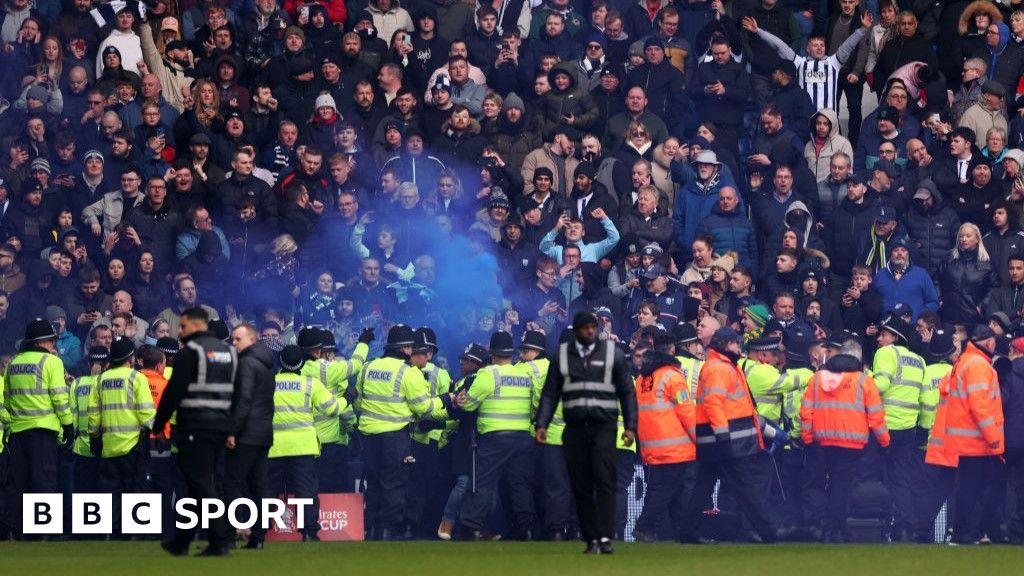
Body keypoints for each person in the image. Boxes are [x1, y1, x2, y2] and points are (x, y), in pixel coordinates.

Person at [535, 312, 637, 554]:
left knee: (560, 486)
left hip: (561, 437)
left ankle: (560, 530)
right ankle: (581, 529)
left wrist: (541, 423)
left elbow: (546, 397)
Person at [683, 327, 778, 544]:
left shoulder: (721, 366)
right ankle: (769, 532)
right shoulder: (720, 368)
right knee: (747, 488)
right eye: (736, 343)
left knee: (702, 487)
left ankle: (687, 530)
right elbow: (714, 403)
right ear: (726, 344)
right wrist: (722, 435)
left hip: (716, 440)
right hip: (728, 442)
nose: (739, 348)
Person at [355, 324, 451, 540]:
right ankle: (387, 531)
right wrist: (447, 399)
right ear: (406, 348)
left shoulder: (368, 367)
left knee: (374, 483)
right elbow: (423, 407)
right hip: (395, 437)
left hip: (368, 436)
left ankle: (371, 529)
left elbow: (360, 401)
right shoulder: (409, 373)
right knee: (394, 484)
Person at [154, 307, 236, 556]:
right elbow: (238, 393)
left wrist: (159, 425)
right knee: (195, 484)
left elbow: (174, 391)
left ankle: (220, 538)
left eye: (184, 326)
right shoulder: (229, 352)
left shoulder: (191, 352)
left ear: (197, 325)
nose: (181, 331)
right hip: (221, 425)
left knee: (201, 482)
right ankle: (182, 540)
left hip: (196, 425)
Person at [801, 338, 890, 543]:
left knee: (820, 484)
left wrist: (807, 438)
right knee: (841, 485)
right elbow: (876, 416)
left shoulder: (817, 378)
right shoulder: (863, 380)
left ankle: (822, 526)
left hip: (821, 441)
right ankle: (834, 529)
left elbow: (806, 411)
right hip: (852, 443)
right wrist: (885, 441)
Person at [455, 331, 537, 540]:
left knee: (482, 482)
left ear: (492, 353)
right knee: (520, 485)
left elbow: (469, 404)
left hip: (494, 437)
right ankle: (526, 529)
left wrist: (461, 400)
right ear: (512, 353)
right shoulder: (524, 374)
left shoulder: (488, 374)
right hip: (522, 438)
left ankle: (471, 527)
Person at [3, 318, 72, 537]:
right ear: (41, 342)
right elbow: (60, 399)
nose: (54, 344)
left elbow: (7, 398)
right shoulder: (51, 362)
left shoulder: (14, 363)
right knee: (44, 480)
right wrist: (68, 426)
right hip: (43, 431)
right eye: (51, 340)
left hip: (18, 432)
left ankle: (16, 529)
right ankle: (43, 530)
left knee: (19, 481)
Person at [268, 344, 342, 542]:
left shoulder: (269, 383)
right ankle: (309, 532)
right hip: (303, 447)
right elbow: (332, 409)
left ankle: (260, 531)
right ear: (301, 363)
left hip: (273, 447)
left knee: (267, 489)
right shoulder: (311, 384)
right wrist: (347, 398)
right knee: (305, 491)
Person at [943, 326, 1005, 545]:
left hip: (967, 438)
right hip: (977, 440)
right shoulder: (979, 365)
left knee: (970, 487)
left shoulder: (967, 361)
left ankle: (967, 532)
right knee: (976, 488)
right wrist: (993, 437)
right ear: (988, 342)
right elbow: (980, 406)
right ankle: (967, 532)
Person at [632, 333, 697, 543]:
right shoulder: (672, 376)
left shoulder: (642, 379)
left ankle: (680, 533)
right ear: (672, 350)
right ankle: (644, 526)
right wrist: (699, 439)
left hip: (651, 446)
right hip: (674, 447)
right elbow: (686, 411)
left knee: (663, 490)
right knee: (667, 490)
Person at [87, 337, 154, 536]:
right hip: (133, 445)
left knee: (110, 493)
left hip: (109, 446)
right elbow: (146, 413)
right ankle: (136, 532)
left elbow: (93, 414)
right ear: (131, 358)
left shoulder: (100, 380)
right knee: (136, 490)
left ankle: (109, 532)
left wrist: (94, 436)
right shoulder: (136, 378)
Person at [872, 314, 926, 541]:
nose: (879, 339)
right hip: (908, 428)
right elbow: (922, 397)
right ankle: (905, 525)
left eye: (883, 335)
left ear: (894, 337)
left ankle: (875, 525)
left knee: (874, 476)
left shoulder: (885, 353)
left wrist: (860, 381)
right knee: (901, 478)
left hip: (885, 426)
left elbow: (880, 385)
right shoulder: (919, 360)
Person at [222, 324, 276, 550]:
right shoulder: (268, 365)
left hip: (245, 433)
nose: (233, 344)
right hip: (263, 432)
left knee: (231, 484)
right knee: (259, 486)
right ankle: (259, 537)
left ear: (252, 340)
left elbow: (243, 399)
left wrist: (233, 430)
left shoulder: (246, 363)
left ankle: (228, 534)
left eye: (238, 339)